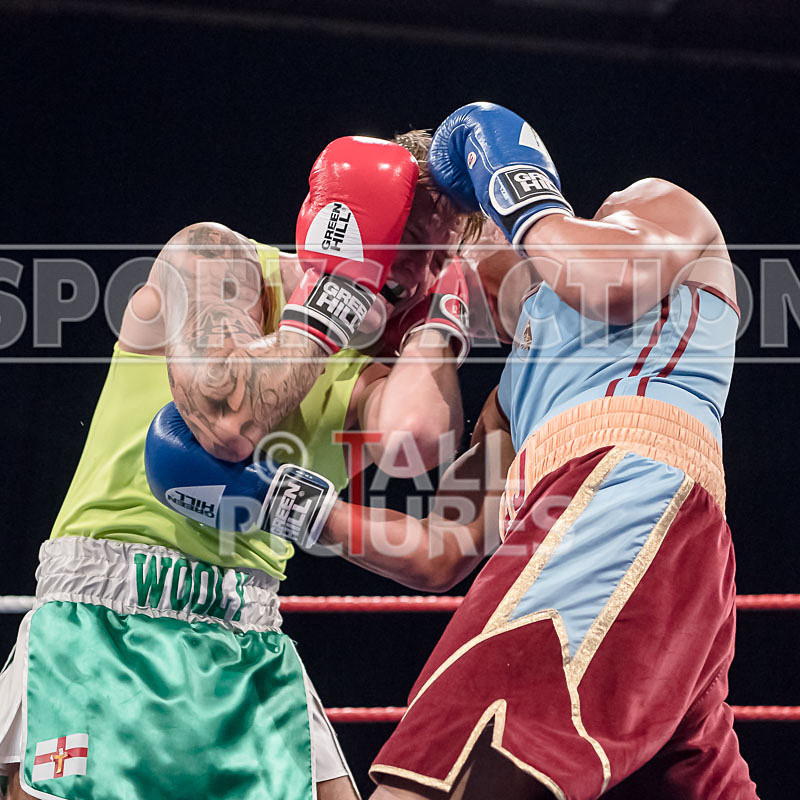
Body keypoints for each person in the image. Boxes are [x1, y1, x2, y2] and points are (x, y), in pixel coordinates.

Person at [146, 102, 757, 799]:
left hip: (625, 500)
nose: (425, 281)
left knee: (437, 775)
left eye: (432, 250)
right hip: (632, 556)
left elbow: (608, 283)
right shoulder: (513, 402)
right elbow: (443, 550)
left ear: (480, 215)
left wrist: (521, 189)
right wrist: (279, 503)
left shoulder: (649, 207)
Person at [0, 133, 473, 800]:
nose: (414, 271)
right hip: (110, 617)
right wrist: (339, 290)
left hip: (250, 631)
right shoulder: (214, 258)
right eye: (408, 238)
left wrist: (438, 326)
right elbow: (225, 418)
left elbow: (415, 443)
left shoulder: (373, 374)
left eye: (438, 259)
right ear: (354, 218)